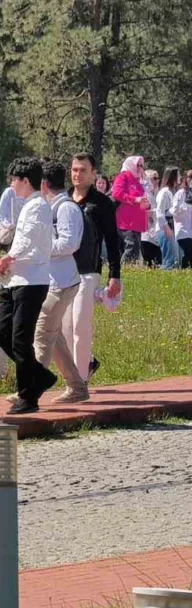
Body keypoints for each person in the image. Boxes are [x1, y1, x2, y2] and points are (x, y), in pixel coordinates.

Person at [0, 158, 55, 414]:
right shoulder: (27, 205)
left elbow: (27, 240)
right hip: (16, 279)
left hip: (32, 281)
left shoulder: (37, 207)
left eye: (14, 179)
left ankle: (28, 397)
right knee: (4, 332)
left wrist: (8, 257)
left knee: (21, 340)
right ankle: (40, 376)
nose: (11, 184)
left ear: (25, 181)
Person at [30, 160, 85, 404]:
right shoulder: (54, 206)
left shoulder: (65, 209)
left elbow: (70, 243)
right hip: (56, 281)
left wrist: (41, 249)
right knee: (54, 336)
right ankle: (77, 388)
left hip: (62, 283)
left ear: (43, 184)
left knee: (42, 332)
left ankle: (30, 390)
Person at [66, 153, 122, 387]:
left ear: (93, 174)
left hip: (89, 271)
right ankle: (86, 363)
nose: (77, 174)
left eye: (82, 170)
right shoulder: (64, 199)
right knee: (65, 329)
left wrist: (115, 276)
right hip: (62, 272)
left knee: (80, 324)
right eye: (74, 169)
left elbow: (112, 241)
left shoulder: (102, 203)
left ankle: (78, 383)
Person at [111, 156, 149, 264]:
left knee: (135, 249)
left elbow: (143, 197)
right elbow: (117, 193)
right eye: (138, 165)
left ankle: (128, 270)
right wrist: (135, 199)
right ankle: (121, 270)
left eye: (141, 165)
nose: (140, 168)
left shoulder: (138, 180)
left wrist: (146, 204)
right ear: (130, 164)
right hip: (126, 221)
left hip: (136, 221)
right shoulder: (123, 177)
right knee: (131, 247)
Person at [156, 168, 180, 270]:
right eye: (178, 175)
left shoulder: (171, 192)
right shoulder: (164, 192)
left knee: (173, 259)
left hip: (170, 227)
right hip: (165, 229)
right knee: (169, 259)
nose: (180, 178)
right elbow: (159, 212)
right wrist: (166, 228)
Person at [139, 170, 161, 267]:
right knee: (149, 264)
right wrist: (156, 212)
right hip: (146, 235)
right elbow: (142, 213)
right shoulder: (144, 194)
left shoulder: (158, 193)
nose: (157, 181)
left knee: (158, 264)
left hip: (156, 234)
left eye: (158, 178)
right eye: (154, 178)